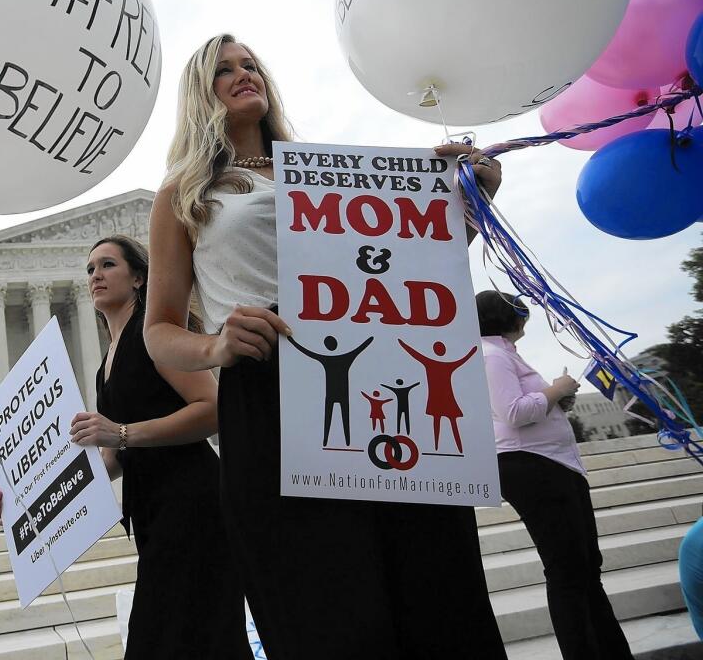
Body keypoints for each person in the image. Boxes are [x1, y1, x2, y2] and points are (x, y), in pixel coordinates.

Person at [142, 33, 507, 658]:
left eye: (251, 65)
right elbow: (159, 331)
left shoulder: (326, 172)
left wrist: (469, 205)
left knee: (432, 582)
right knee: (325, 599)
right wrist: (216, 348)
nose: (242, 75)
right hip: (271, 386)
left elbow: (401, 276)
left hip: (384, 378)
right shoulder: (185, 193)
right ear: (201, 94)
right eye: (223, 70)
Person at [0, 235, 251, 659]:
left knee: (182, 637)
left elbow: (213, 409)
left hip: (194, 503)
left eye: (108, 265)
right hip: (153, 511)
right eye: (90, 268)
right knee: (193, 639)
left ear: (138, 278)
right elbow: (110, 460)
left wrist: (123, 432)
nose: (95, 275)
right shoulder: (105, 366)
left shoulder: (153, 336)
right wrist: (25, 502)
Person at [477, 290, 633, 659]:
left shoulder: (503, 354)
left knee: (585, 567)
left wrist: (557, 399)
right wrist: (557, 389)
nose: (525, 319)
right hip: (533, 466)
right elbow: (513, 413)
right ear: (512, 318)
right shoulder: (491, 356)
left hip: (554, 464)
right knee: (568, 571)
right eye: (521, 313)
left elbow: (526, 407)